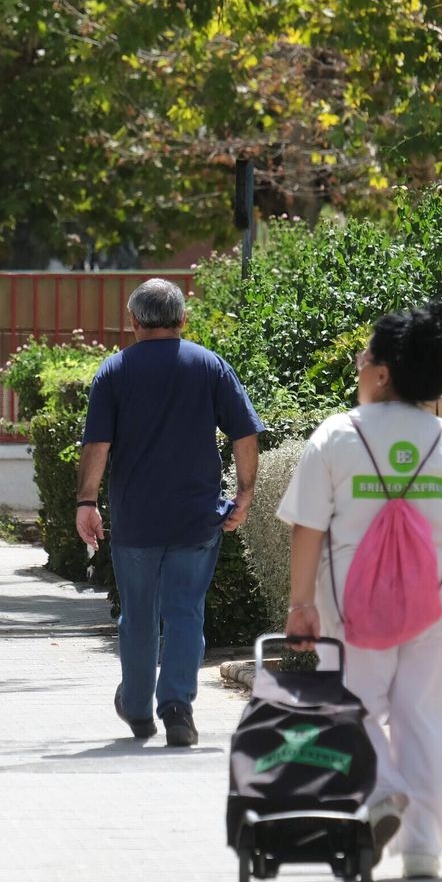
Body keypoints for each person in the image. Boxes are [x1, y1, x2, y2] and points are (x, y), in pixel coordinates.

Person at [275, 299, 442, 880]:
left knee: (348, 707)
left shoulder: (335, 437)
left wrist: (301, 605)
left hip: (353, 603)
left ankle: (380, 792)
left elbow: (309, 527)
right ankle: (423, 851)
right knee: (431, 719)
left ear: (382, 373)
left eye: (365, 357)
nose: (359, 365)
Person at [75, 278, 264, 748]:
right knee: (185, 613)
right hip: (197, 516)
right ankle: (177, 707)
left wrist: (86, 501)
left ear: (133, 321)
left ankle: (137, 708)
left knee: (138, 615)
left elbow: (98, 442)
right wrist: (244, 493)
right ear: (183, 320)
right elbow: (245, 434)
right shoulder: (210, 366)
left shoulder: (114, 371)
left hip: (136, 519)